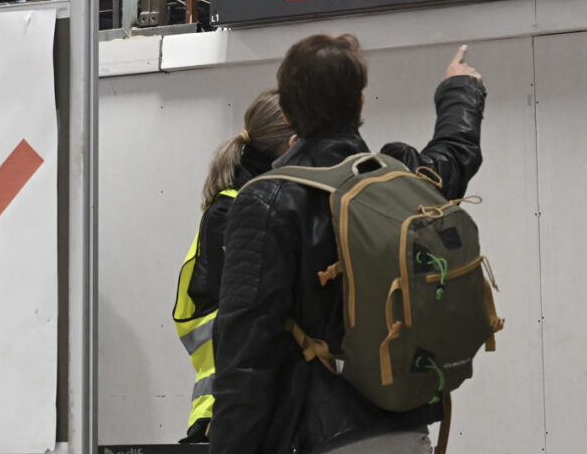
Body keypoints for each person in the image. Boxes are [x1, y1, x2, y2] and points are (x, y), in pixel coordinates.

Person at [209, 36, 487, 454]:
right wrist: (460, 89)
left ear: (287, 111)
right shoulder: (400, 181)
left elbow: (245, 356)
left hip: (320, 436)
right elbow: (453, 156)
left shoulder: (268, 201)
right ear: (360, 103)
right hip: (408, 432)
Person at [174, 90, 295, 444]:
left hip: (242, 408)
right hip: (228, 410)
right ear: (289, 144)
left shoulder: (244, 203)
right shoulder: (235, 212)